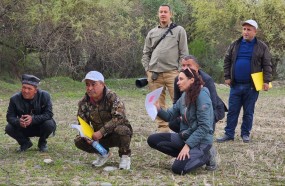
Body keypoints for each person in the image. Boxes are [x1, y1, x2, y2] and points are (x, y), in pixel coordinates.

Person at [147, 68, 216, 175]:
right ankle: (186, 156)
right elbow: (169, 116)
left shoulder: (202, 96)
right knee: (153, 140)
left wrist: (187, 146)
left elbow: (204, 127)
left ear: (191, 80)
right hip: (185, 136)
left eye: (181, 79)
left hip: (201, 141)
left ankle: (206, 156)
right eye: (178, 79)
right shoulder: (184, 95)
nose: (177, 82)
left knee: (178, 169)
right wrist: (158, 109)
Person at [217, 20, 272, 143]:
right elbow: (227, 61)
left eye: (249, 29)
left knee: (248, 112)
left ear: (255, 31)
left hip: (252, 86)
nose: (245, 32)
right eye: (244, 29)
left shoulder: (262, 46)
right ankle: (229, 134)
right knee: (232, 111)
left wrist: (266, 81)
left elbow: (267, 65)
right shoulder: (235, 44)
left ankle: (245, 134)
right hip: (235, 85)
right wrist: (227, 76)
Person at [141, 4, 189, 132]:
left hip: (172, 73)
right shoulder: (152, 32)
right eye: (161, 12)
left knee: (180, 101)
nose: (163, 14)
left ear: (170, 14)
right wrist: (147, 70)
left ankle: (182, 127)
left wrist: (180, 71)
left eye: (165, 12)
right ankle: (163, 128)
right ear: (158, 14)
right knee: (157, 102)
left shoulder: (179, 30)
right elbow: (146, 53)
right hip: (154, 74)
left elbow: (184, 53)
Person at [74, 71, 133, 170]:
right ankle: (103, 153)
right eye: (87, 84)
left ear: (102, 84)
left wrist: (101, 132)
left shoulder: (112, 97)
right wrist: (86, 135)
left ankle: (125, 156)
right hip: (98, 137)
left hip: (115, 134)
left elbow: (119, 117)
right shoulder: (83, 103)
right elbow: (82, 123)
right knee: (79, 140)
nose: (90, 88)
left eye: (93, 84)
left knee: (123, 130)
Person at [170, 55, 226, 133]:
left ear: (197, 67)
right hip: (190, 109)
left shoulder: (207, 79)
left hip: (211, 109)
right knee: (172, 122)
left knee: (204, 123)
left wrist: (193, 116)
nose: (186, 68)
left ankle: (205, 138)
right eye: (183, 65)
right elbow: (176, 100)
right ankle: (185, 136)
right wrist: (181, 115)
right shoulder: (178, 79)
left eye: (189, 65)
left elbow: (212, 104)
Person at [5, 74, 56, 152]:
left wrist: (33, 119)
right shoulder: (14, 99)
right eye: (24, 88)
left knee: (49, 124)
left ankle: (42, 143)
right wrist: (19, 121)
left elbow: (49, 114)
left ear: (35, 90)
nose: (26, 91)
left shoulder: (45, 95)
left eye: (29, 89)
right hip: (24, 127)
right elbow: (9, 117)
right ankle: (25, 143)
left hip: (40, 126)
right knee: (9, 128)